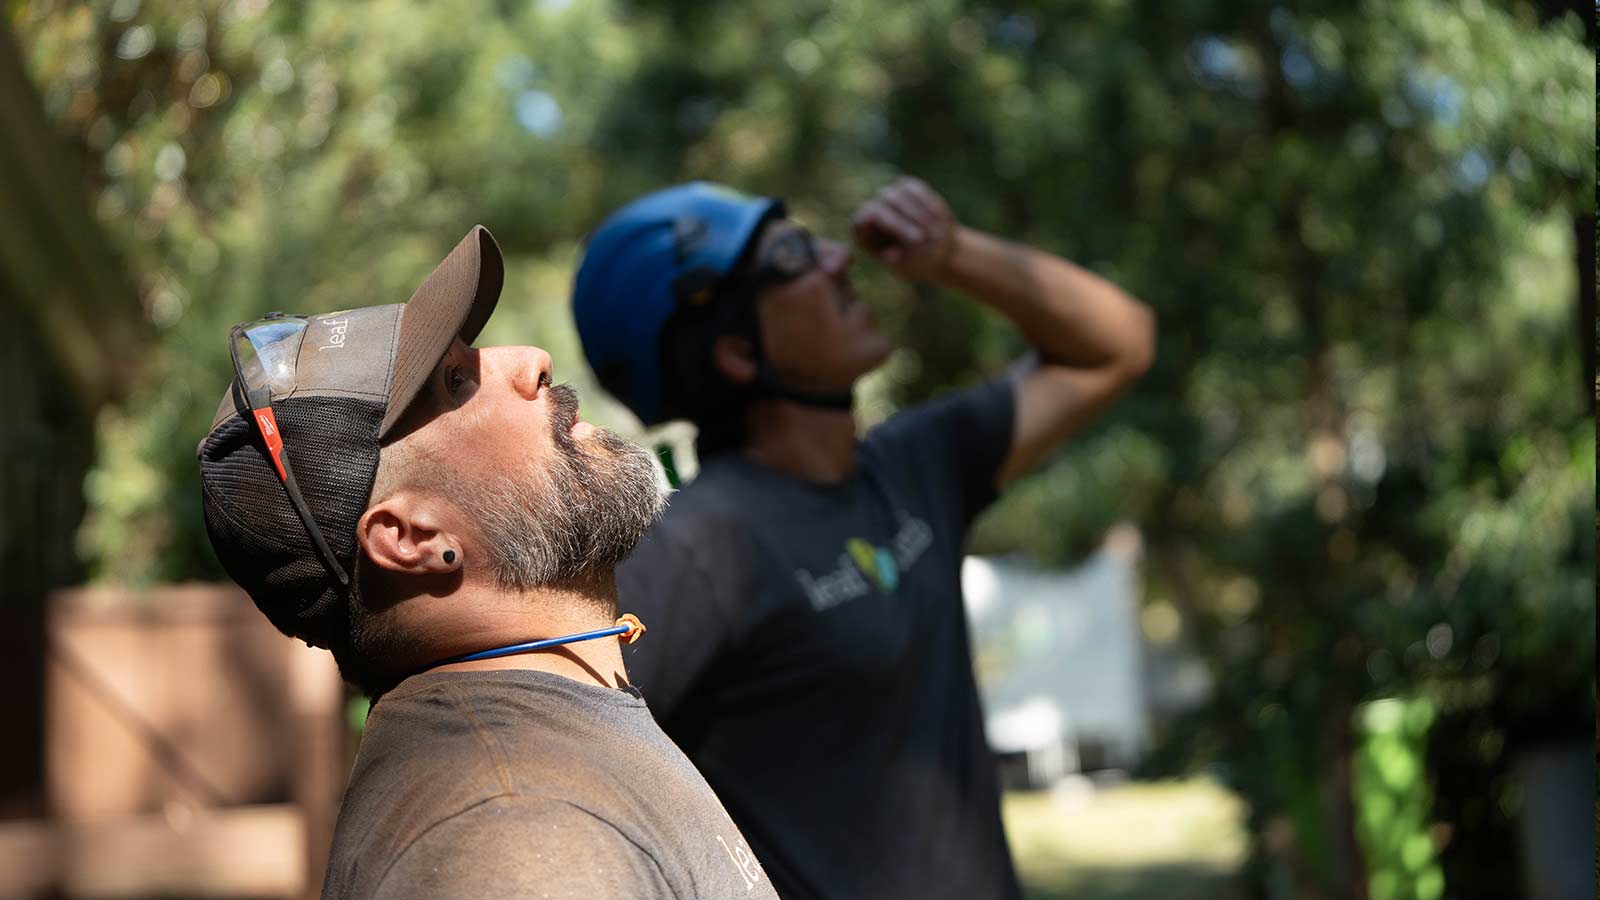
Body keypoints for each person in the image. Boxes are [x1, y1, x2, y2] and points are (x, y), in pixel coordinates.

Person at [572, 178, 1156, 899]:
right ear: (736, 354)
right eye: (793, 256)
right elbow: (562, 764)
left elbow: (1116, 345)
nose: (839, 260)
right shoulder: (693, 553)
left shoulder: (916, 467)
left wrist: (952, 252)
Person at [197, 226, 781, 900]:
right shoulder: (516, 833)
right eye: (454, 383)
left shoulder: (547, 750)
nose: (532, 361)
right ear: (412, 540)